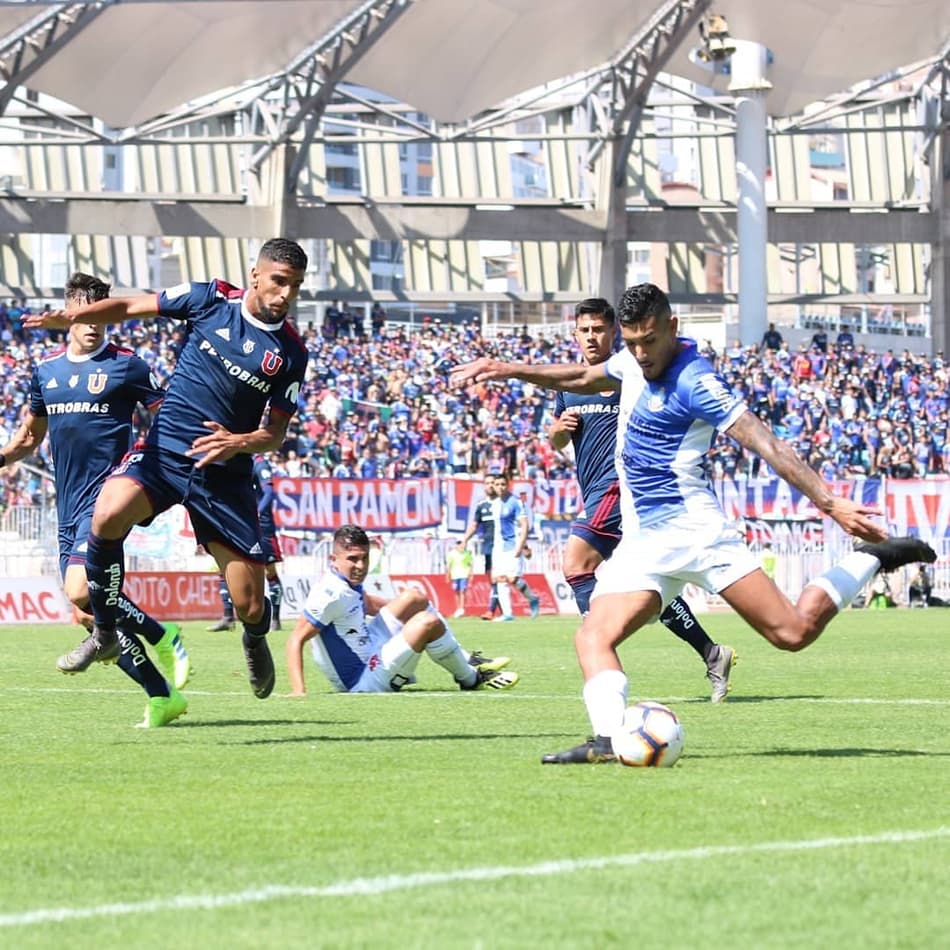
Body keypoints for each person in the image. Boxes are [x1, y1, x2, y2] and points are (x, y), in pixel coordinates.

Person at [452, 282, 935, 764]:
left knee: (793, 634)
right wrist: (506, 369)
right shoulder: (630, 362)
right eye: (632, 342)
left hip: (697, 534)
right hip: (643, 543)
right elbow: (582, 377)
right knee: (592, 635)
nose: (640, 354)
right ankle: (605, 740)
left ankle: (869, 559)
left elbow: (767, 445)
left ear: (672, 328)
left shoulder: (696, 382)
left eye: (648, 342)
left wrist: (831, 504)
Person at [25, 238, 311, 701]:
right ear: (255, 275)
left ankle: (254, 637)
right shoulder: (210, 299)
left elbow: (275, 433)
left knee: (250, 605)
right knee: (106, 515)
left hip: (224, 474)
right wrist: (79, 316)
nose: (285, 294)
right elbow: (133, 304)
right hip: (165, 453)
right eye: (279, 281)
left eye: (295, 286)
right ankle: (104, 633)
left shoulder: (291, 352)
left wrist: (238, 442)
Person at [2, 272, 190, 727]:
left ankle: (163, 634)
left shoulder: (127, 365)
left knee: (82, 590)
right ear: (69, 313)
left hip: (108, 499)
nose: (91, 324)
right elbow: (29, 437)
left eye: (98, 314)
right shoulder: (46, 371)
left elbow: (167, 418)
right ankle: (161, 695)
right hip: (66, 503)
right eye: (82, 314)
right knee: (87, 616)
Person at [547, 297, 735, 701]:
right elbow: (557, 440)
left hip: (622, 487)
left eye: (600, 329)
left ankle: (596, 643)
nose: (593, 337)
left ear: (614, 331)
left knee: (576, 563)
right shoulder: (572, 385)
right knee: (649, 583)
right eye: (586, 330)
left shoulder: (628, 373)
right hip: (596, 490)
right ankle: (712, 652)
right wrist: (558, 431)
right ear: (575, 334)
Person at [285, 524, 518, 696]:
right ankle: (471, 678)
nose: (360, 566)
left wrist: (406, 612)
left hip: (371, 646)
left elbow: (369, 605)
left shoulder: (345, 582)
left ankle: (467, 659)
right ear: (333, 558)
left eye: (364, 558)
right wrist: (299, 692)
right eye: (353, 559)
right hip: (363, 680)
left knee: (414, 597)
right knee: (426, 622)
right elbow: (295, 639)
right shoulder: (329, 593)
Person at [487, 472, 540, 621]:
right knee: (500, 579)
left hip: (513, 545)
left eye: (503, 484)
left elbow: (524, 525)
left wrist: (522, 545)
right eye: (497, 485)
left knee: (512, 578)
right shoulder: (495, 504)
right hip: (499, 547)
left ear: (508, 485)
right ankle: (507, 614)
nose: (500, 487)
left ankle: (533, 599)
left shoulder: (515, 502)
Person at [461, 473, 501, 619]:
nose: (490, 485)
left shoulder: (503, 503)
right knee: (491, 579)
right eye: (488, 483)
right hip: (488, 546)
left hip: (501, 546)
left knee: (498, 578)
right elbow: (474, 525)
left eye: (493, 483)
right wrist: (465, 540)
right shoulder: (481, 505)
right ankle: (503, 610)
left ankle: (491, 610)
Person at [253, 452, 284, 631]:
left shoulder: (260, 463)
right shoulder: (240, 461)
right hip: (247, 524)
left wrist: (257, 512)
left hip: (263, 527)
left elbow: (269, 492)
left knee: (269, 570)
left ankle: (276, 618)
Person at [445, 538, 473, 618]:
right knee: (456, 592)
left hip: (464, 575)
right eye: (459, 543)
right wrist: (448, 576)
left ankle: (462, 609)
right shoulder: (451, 554)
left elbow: (470, 565)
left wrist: (471, 575)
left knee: (462, 591)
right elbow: (449, 566)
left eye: (462, 543)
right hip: (455, 576)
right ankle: (458, 609)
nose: (461, 545)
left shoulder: (466, 554)